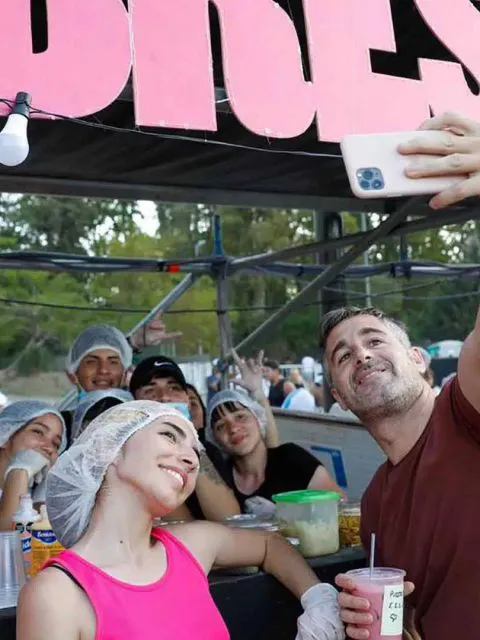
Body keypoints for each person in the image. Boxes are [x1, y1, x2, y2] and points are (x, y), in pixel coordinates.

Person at [331, 111, 480, 639]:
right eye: (342, 356)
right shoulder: (375, 501)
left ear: (418, 358)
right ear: (339, 397)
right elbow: (409, 619)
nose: (360, 354)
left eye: (375, 340)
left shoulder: (466, 409)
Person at [17, 402, 345, 640]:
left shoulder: (192, 546)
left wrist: (317, 597)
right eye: (170, 436)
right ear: (109, 448)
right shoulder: (57, 595)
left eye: (195, 452)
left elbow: (270, 544)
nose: (190, 459)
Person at [130, 355, 241, 521]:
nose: (164, 397)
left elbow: (229, 519)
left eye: (173, 388)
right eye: (150, 390)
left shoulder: (206, 451)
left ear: (187, 400)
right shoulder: (129, 458)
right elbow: (176, 525)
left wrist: (189, 442)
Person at [206, 385, 343, 513]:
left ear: (258, 419)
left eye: (240, 417)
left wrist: (284, 514)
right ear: (215, 439)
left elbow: (341, 507)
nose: (233, 428)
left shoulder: (292, 460)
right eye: (221, 426)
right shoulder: (220, 480)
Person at [0, 400, 66, 530]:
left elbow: (39, 536)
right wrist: (19, 471)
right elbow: (11, 536)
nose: (48, 447)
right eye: (38, 432)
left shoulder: (34, 497)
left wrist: (46, 488)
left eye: (56, 444)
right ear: (5, 435)